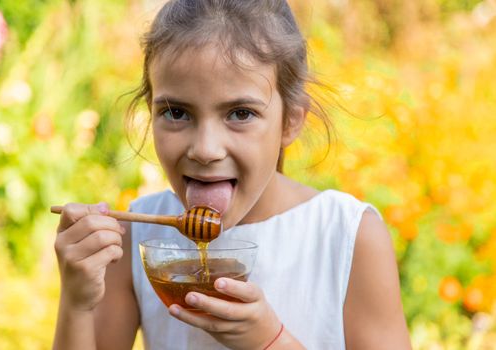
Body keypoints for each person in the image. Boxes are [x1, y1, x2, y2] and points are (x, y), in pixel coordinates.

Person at [52, 1, 412, 349]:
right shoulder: (137, 238)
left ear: (290, 121)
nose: (206, 149)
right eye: (177, 112)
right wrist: (77, 302)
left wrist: (270, 342)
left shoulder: (346, 236)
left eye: (240, 114)